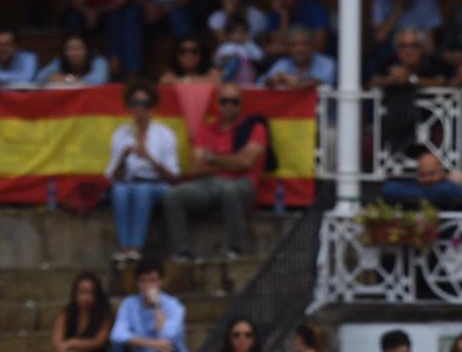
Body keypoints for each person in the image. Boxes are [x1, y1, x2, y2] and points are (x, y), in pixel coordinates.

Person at [162, 83, 267, 262]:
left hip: (243, 184)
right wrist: (231, 161)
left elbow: (245, 162)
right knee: (173, 195)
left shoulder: (255, 128)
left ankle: (236, 250)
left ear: (241, 105)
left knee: (229, 190)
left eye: (234, 102)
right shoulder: (206, 129)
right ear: (217, 104)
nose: (228, 106)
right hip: (209, 185)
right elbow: (197, 166)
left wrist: (213, 159)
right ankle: (182, 252)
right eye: (224, 101)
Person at [105, 81, 179, 265]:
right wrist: (123, 158)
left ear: (152, 107)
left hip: (157, 185)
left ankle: (135, 249)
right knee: (119, 190)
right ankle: (125, 248)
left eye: (144, 103)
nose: (139, 108)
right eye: (135, 103)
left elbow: (173, 176)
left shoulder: (164, 134)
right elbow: (113, 176)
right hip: (129, 182)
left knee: (142, 190)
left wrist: (149, 158)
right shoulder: (121, 134)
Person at [52, 272, 113, 352]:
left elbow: (98, 342)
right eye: (82, 292)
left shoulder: (103, 314)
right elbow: (57, 343)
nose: (86, 297)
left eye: (90, 293)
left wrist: (73, 343)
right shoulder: (66, 313)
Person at [262, 24, 336, 87]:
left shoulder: (326, 63)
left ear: (312, 45)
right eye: (293, 45)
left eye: (304, 44)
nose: (299, 49)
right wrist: (273, 81)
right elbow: (263, 82)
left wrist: (291, 81)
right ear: (288, 48)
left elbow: (319, 83)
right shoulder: (283, 63)